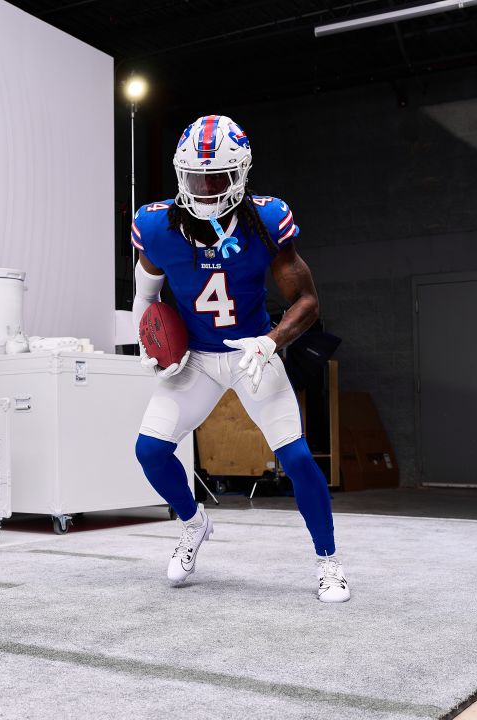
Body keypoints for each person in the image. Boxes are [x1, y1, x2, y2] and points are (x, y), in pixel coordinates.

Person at [130, 114, 349, 602]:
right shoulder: (155, 225)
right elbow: (145, 299)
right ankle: (193, 523)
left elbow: (308, 301)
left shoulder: (265, 220)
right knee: (150, 450)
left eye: (217, 177)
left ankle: (328, 561)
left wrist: (271, 341)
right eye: (194, 176)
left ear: (241, 175)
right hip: (196, 360)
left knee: (294, 457)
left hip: (252, 352)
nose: (205, 188)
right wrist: (148, 344)